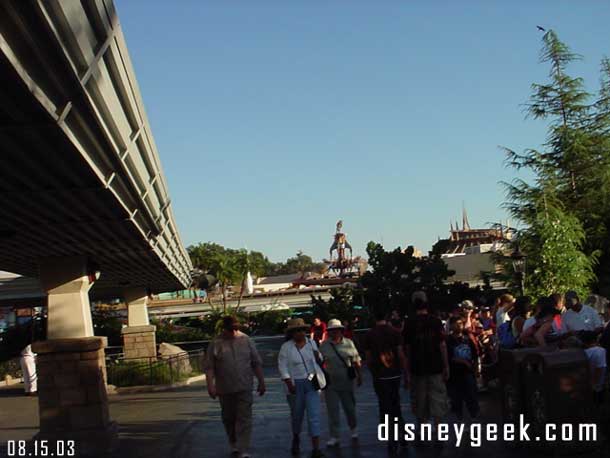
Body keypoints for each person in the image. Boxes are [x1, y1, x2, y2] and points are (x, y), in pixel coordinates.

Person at [204, 316, 266, 458]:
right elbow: (209, 367)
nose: (234, 332)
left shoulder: (246, 340)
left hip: (245, 387)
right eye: (231, 330)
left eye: (236, 329)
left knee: (244, 418)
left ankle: (243, 448)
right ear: (224, 329)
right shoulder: (216, 343)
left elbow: (256, 363)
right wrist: (210, 386)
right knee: (229, 418)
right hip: (225, 389)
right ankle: (233, 442)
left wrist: (262, 382)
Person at [403, 291, 449, 436]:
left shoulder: (409, 322)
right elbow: (442, 345)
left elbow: (407, 348)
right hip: (435, 365)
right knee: (437, 399)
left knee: (420, 400)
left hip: (417, 367)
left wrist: (408, 370)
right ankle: (438, 428)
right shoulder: (435, 321)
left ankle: (423, 430)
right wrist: (446, 364)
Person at [279, 318, 326, 458]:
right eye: (296, 331)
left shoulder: (311, 343)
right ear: (291, 333)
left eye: (301, 330)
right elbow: (282, 366)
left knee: (314, 415)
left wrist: (319, 357)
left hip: (311, 380)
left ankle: (316, 448)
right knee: (297, 415)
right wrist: (288, 383)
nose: (300, 333)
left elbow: (319, 360)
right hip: (295, 383)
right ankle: (296, 437)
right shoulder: (286, 347)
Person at [363, 308, 408, 454]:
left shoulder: (370, 334)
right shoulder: (395, 332)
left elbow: (368, 358)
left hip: (380, 375)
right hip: (394, 373)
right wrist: (405, 373)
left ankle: (391, 438)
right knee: (396, 405)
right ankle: (402, 434)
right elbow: (401, 354)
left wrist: (373, 371)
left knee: (384, 407)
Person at [319, 319, 362, 447]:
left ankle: (353, 427)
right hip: (330, 381)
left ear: (341, 330)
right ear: (329, 332)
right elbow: (319, 362)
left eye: (336, 330)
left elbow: (356, 360)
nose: (334, 333)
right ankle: (334, 436)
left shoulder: (348, 343)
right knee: (332, 410)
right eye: (332, 330)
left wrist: (360, 376)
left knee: (349, 407)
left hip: (346, 380)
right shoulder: (324, 345)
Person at [446, 317, 480, 420]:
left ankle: (474, 418)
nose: (459, 326)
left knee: (471, 397)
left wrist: (476, 369)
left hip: (468, 373)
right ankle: (460, 420)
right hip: (454, 374)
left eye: (460, 323)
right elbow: (448, 357)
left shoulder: (467, 339)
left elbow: (475, 355)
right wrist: (463, 362)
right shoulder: (448, 340)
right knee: (456, 399)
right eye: (456, 323)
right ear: (451, 325)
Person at [582, 331, 607, 403]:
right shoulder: (600, 350)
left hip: (588, 384)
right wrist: (594, 383)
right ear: (595, 339)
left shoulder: (584, 352)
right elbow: (600, 368)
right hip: (597, 386)